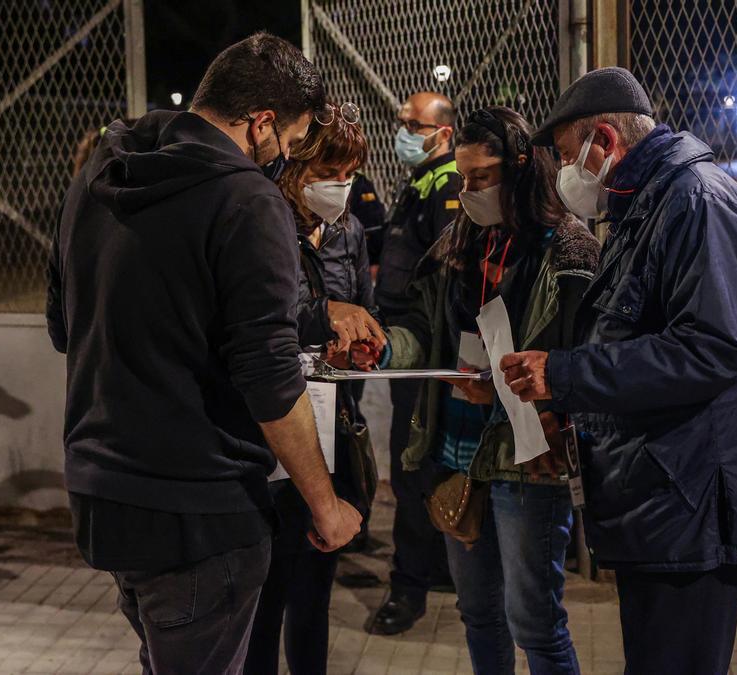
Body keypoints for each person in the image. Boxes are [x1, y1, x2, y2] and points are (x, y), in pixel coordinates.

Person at [46, 33, 363, 674]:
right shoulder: (247, 199)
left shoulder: (101, 173)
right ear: (262, 123)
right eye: (296, 142)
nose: (290, 159)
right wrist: (326, 506)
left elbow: (65, 323)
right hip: (200, 513)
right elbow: (268, 374)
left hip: (103, 496)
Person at [500, 67, 737, 673]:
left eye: (567, 156)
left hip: (692, 511)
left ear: (605, 142)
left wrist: (564, 374)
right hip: (665, 504)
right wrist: (574, 411)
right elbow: (636, 339)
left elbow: (711, 350)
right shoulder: (649, 204)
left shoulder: (696, 202)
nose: (565, 176)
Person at [356, 107, 598, 674]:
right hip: (456, 453)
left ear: (520, 170)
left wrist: (536, 397)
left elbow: (589, 361)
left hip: (526, 462)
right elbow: (422, 330)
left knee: (536, 622)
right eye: (462, 177)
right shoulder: (456, 242)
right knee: (478, 612)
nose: (467, 190)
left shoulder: (568, 251)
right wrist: (385, 349)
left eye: (481, 178)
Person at [244, 102, 383, 675]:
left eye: (350, 173)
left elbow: (368, 313)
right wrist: (327, 313)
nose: (341, 187)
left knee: (313, 595)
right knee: (263, 603)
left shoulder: (350, 230)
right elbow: (263, 318)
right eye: (328, 173)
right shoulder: (261, 221)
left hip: (332, 426)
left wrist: (362, 345)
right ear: (294, 166)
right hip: (275, 433)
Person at [369, 91, 462, 635]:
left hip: (424, 353)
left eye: (413, 124)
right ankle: (435, 569)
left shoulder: (447, 186)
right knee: (422, 466)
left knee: (412, 466)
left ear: (442, 133)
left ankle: (409, 589)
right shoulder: (423, 181)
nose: (402, 130)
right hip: (411, 347)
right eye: (401, 121)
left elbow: (443, 283)